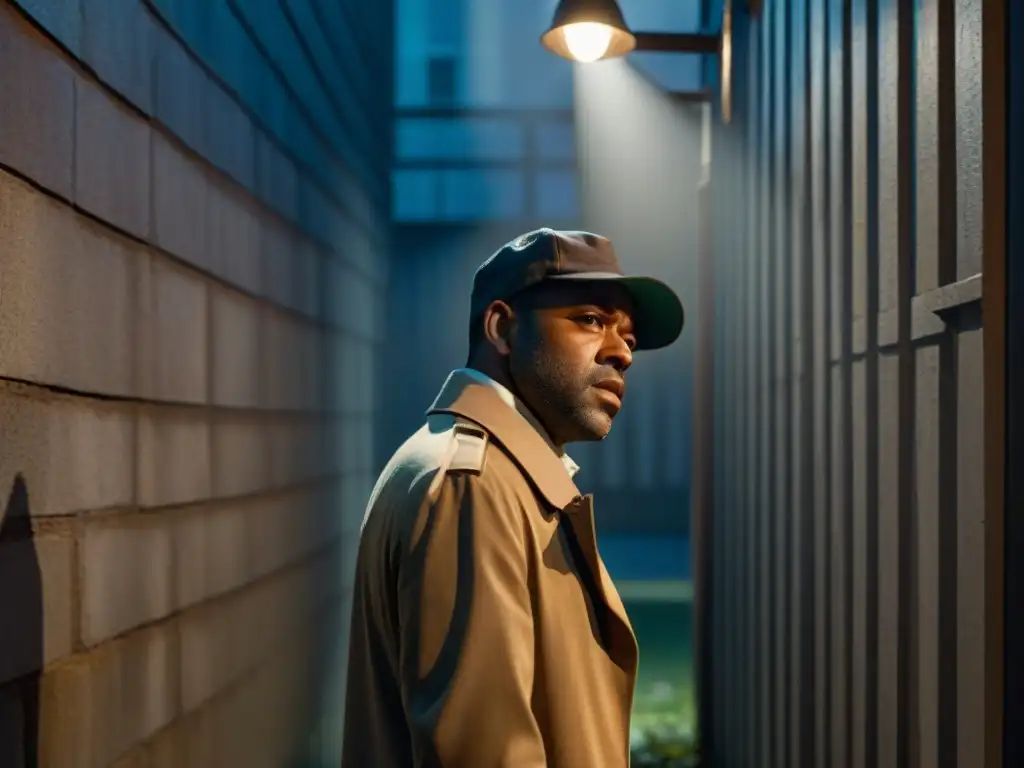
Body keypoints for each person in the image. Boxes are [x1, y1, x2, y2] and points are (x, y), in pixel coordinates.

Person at [341, 228, 685, 767]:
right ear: (502, 327)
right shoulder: (471, 486)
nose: (621, 354)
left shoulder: (494, 474)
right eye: (591, 320)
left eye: (630, 339)